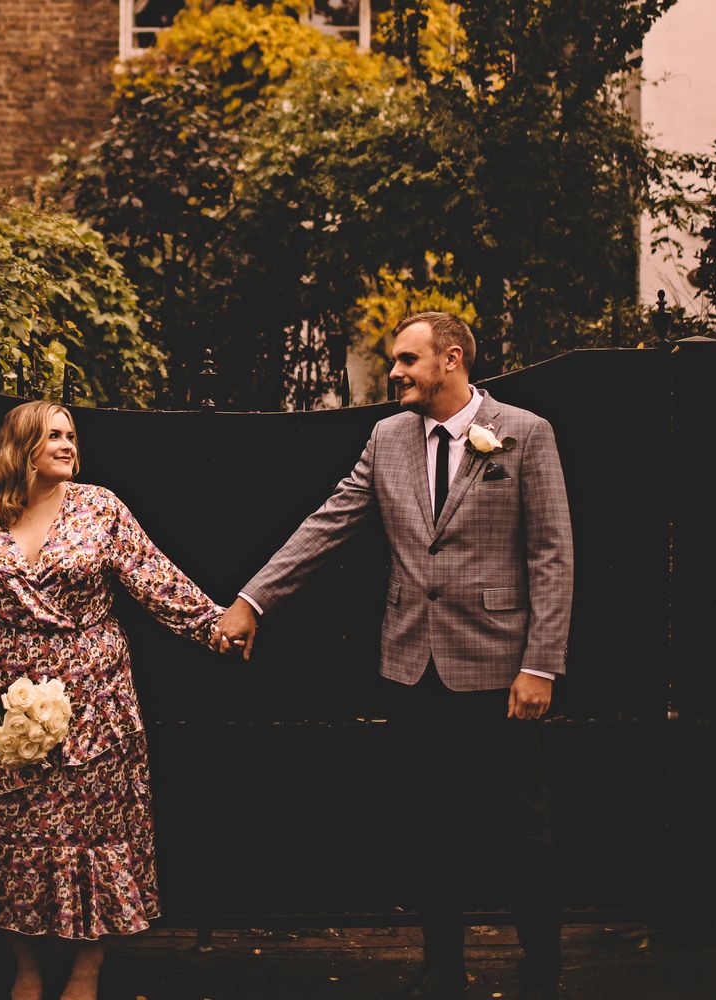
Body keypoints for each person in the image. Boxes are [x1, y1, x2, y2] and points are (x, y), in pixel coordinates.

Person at [214, 312, 573, 1000]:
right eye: (394, 361)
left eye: (408, 359)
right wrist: (253, 600)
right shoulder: (386, 439)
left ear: (452, 359)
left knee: (520, 825)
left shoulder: (525, 434)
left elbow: (551, 556)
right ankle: (444, 969)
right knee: (431, 824)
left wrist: (540, 664)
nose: (395, 373)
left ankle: (543, 970)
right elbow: (327, 524)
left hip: (500, 668)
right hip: (411, 664)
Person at [0, 401, 223, 1000]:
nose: (68, 444)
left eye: (71, 435)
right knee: (10, 828)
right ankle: (27, 968)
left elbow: (155, 578)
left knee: (89, 833)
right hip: (1, 705)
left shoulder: (99, 507)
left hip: (93, 699)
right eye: (53, 436)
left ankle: (87, 970)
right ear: (21, 447)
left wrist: (215, 625)